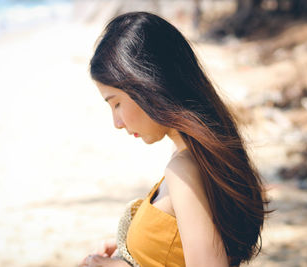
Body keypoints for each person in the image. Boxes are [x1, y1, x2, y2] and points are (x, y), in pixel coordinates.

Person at [80, 11, 269, 267]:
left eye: (116, 104)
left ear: (147, 86)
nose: (117, 123)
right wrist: (130, 250)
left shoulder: (183, 169)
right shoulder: (200, 151)